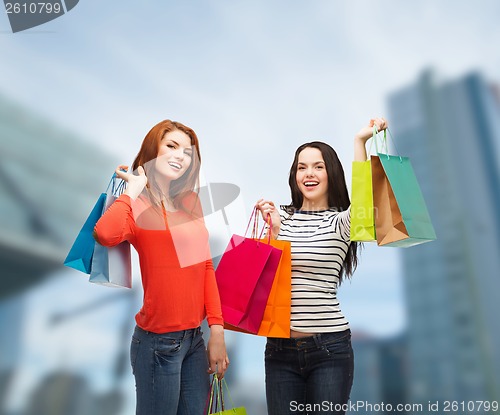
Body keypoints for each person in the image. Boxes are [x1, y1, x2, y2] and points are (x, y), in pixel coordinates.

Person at [94, 119, 229, 415]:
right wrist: (132, 190)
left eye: (187, 153)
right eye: (171, 146)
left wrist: (216, 332)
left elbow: (205, 267)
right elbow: (105, 234)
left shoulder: (190, 203)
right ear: (153, 149)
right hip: (157, 344)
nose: (180, 156)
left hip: (194, 340)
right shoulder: (135, 204)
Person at [256, 117, 388, 415]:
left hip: (329, 349)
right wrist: (271, 233)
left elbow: (365, 206)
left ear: (332, 174)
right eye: (302, 167)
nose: (309, 173)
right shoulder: (280, 218)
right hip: (278, 351)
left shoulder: (341, 222)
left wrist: (360, 142)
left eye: (318, 166)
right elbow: (262, 283)